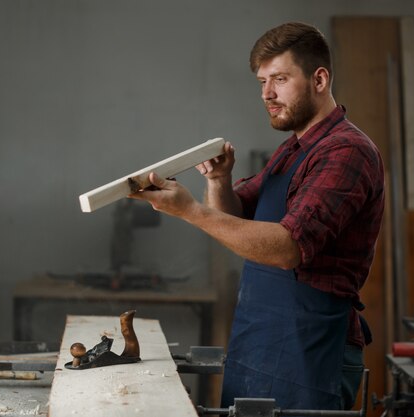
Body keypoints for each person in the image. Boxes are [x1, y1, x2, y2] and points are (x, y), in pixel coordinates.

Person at [130, 21, 384, 410]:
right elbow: (236, 213)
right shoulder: (292, 150)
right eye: (262, 81)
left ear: (319, 79)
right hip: (262, 340)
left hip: (310, 350)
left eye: (280, 79)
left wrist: (190, 211)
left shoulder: (346, 152)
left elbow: (287, 248)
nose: (267, 94)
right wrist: (218, 180)